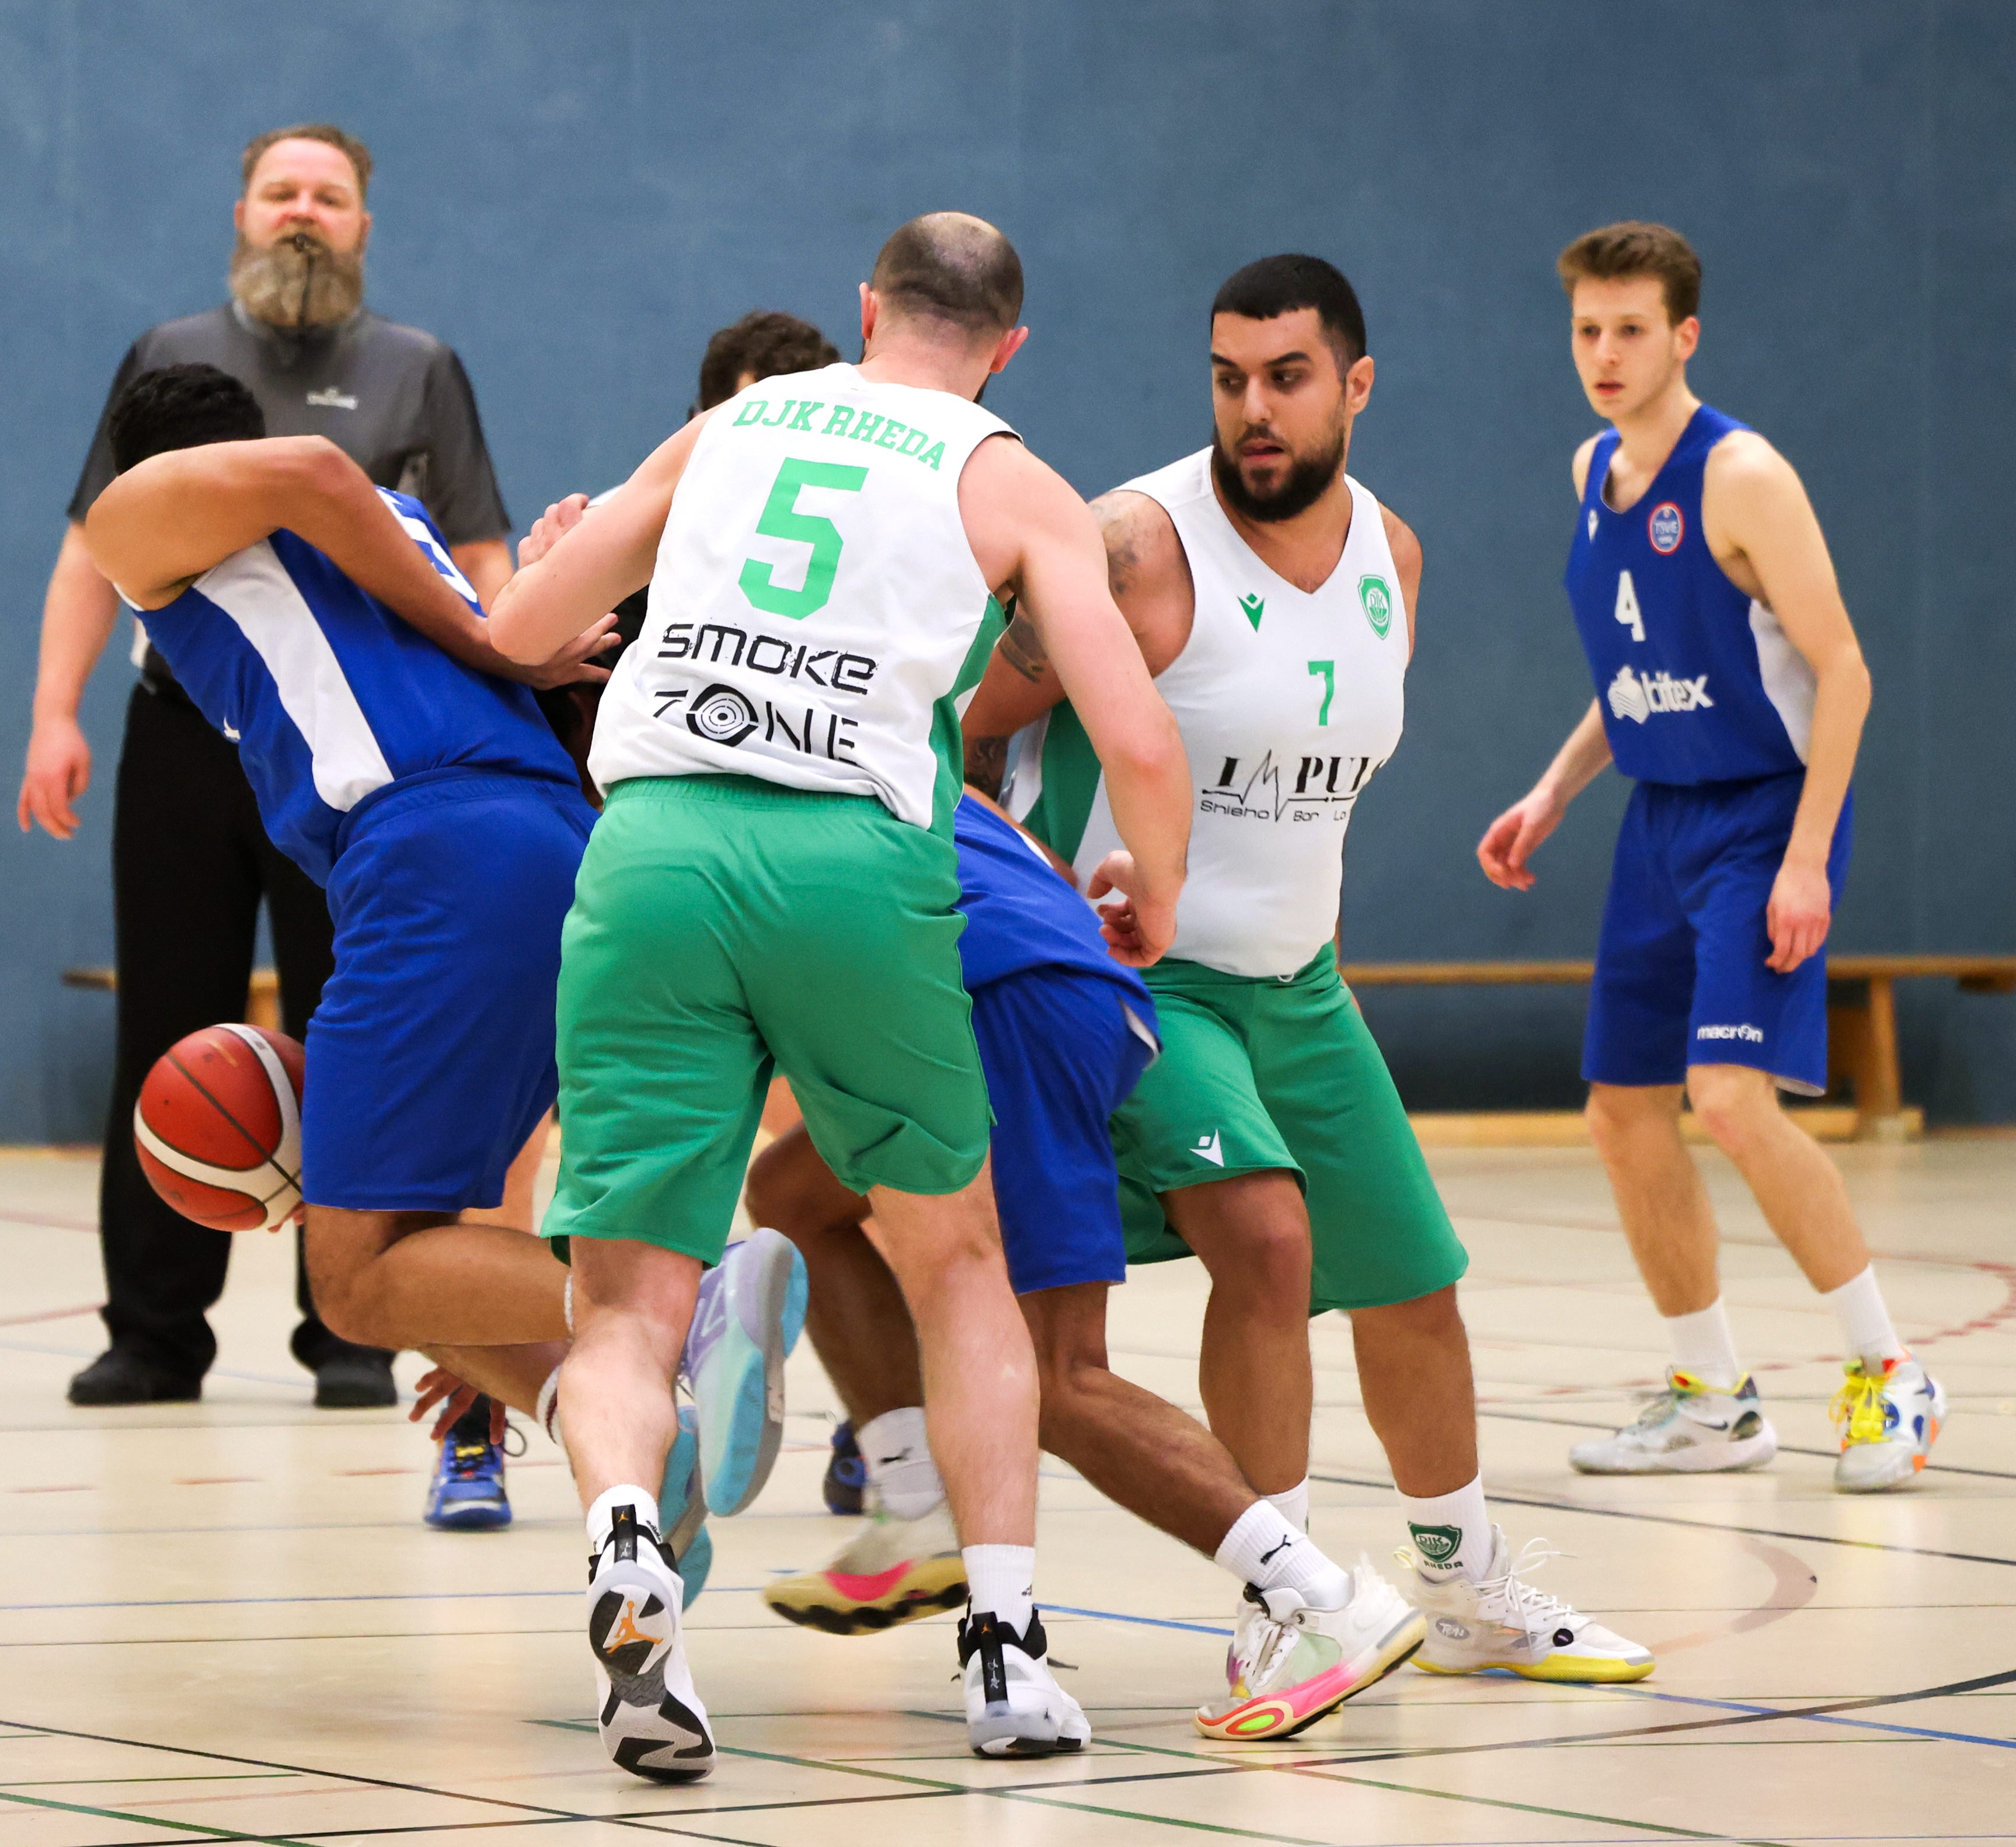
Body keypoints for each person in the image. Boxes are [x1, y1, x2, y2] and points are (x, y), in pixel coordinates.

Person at [488, 213, 1192, 1776]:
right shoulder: (1011, 480)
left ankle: (625, 1549)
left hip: (655, 846)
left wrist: (559, 585)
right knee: (957, 1261)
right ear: (1007, 347)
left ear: (865, 309)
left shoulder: (733, 425)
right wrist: (1153, 887)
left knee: (623, 1300)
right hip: (853, 866)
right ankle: (1004, 1656)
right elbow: (1137, 736)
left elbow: (520, 631)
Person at [968, 255, 1648, 1685]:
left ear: (1356, 385)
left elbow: (1313, 790)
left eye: (1285, 378)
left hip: (1299, 986)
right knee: (1268, 1244)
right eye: (1228, 379)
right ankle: (1282, 1604)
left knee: (1412, 1282)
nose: (1253, 409)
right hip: (1144, 983)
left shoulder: (1393, 556)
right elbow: (960, 728)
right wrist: (1023, 898)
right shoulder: (1133, 544)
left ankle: (1462, 1587)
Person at [78, 361, 803, 1615]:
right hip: (555, 845)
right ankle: (630, 1448)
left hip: (433, 852)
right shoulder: (396, 528)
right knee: (409, 1260)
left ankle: (689, 1310)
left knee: (352, 1278)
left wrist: (485, 638)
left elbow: (309, 467)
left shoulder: (149, 515)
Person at [749, 785, 1426, 1741]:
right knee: (792, 1195)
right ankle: (919, 1496)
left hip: (1006, 1008)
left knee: (1050, 1376)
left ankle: (1318, 1596)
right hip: (1061, 981)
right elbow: (1032, 858)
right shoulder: (889, 736)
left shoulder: (668, 784)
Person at [20, 123, 517, 1417]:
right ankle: (153, 1333)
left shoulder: (417, 366)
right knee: (164, 1024)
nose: (303, 211)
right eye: (280, 191)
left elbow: (482, 549)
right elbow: (87, 548)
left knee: (352, 1016)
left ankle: (349, 1329)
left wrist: (501, 648)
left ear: (362, 224)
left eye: (328, 196)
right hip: (190, 733)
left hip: (363, 755)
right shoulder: (167, 356)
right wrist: (54, 714)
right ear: (241, 212)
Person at [1478, 222, 1940, 1491]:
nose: (1604, 353)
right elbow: (1641, 672)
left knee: (1728, 1099)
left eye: (1631, 329)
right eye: (1587, 329)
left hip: (1763, 818)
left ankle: (1890, 1370)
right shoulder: (1591, 469)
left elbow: (1844, 669)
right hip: (1658, 819)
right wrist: (1553, 790)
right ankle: (1710, 1399)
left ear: (1684, 335)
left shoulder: (1741, 476)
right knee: (1622, 1114)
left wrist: (1807, 859)